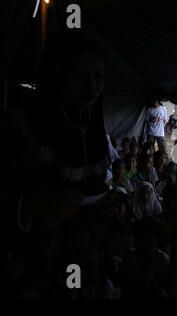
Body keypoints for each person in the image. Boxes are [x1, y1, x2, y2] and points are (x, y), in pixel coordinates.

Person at [0, 30, 122, 298]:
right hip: (33, 272)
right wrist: (32, 206)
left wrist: (106, 206)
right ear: (59, 73)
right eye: (81, 74)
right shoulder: (22, 125)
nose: (92, 85)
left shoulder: (92, 130)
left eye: (99, 76)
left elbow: (92, 190)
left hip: (83, 272)